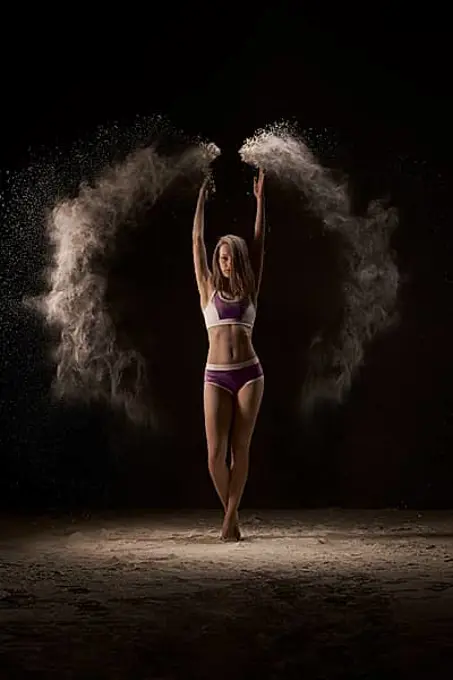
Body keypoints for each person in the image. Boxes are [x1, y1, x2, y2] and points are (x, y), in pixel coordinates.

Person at [192, 168, 265, 540]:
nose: (225, 262)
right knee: (214, 454)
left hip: (250, 374)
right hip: (215, 376)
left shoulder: (251, 288)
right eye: (221, 258)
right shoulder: (207, 290)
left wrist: (260, 201)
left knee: (240, 449)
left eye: (230, 257)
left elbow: (259, 241)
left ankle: (229, 520)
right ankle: (231, 516)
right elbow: (196, 241)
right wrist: (202, 198)